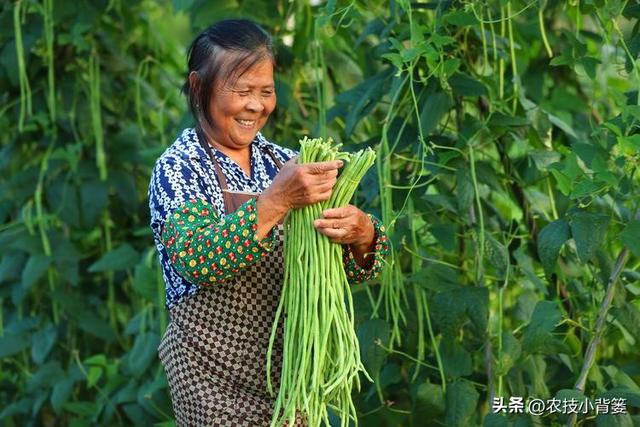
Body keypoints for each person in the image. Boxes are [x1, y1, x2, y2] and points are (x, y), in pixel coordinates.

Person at [148, 19, 389, 427]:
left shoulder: (286, 163)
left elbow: (351, 267)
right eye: (241, 91)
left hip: (291, 382)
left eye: (266, 92)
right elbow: (197, 259)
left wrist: (362, 235)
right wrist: (276, 201)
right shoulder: (180, 168)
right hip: (211, 382)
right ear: (198, 85)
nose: (256, 106)